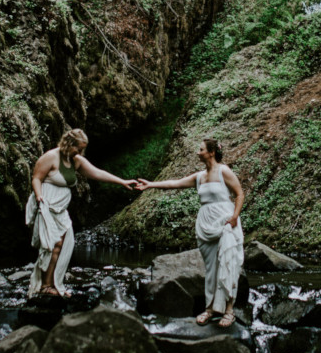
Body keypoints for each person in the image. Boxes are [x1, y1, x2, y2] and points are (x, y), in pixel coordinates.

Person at [137, 138, 244, 327]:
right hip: (205, 225)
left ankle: (229, 311)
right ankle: (210, 309)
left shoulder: (224, 171)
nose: (197, 152)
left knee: (228, 264)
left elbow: (239, 194)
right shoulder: (199, 177)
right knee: (211, 270)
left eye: (201, 149)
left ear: (211, 152)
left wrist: (235, 217)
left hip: (225, 223)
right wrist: (150, 185)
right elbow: (175, 184)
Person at [28, 128, 135, 298]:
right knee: (52, 246)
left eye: (82, 149)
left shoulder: (76, 161)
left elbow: (97, 173)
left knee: (62, 246)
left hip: (60, 210)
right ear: (68, 144)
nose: (80, 152)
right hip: (46, 205)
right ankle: (45, 286)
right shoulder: (50, 157)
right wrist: (39, 196)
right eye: (78, 148)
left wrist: (122, 182)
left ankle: (53, 283)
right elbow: (36, 178)